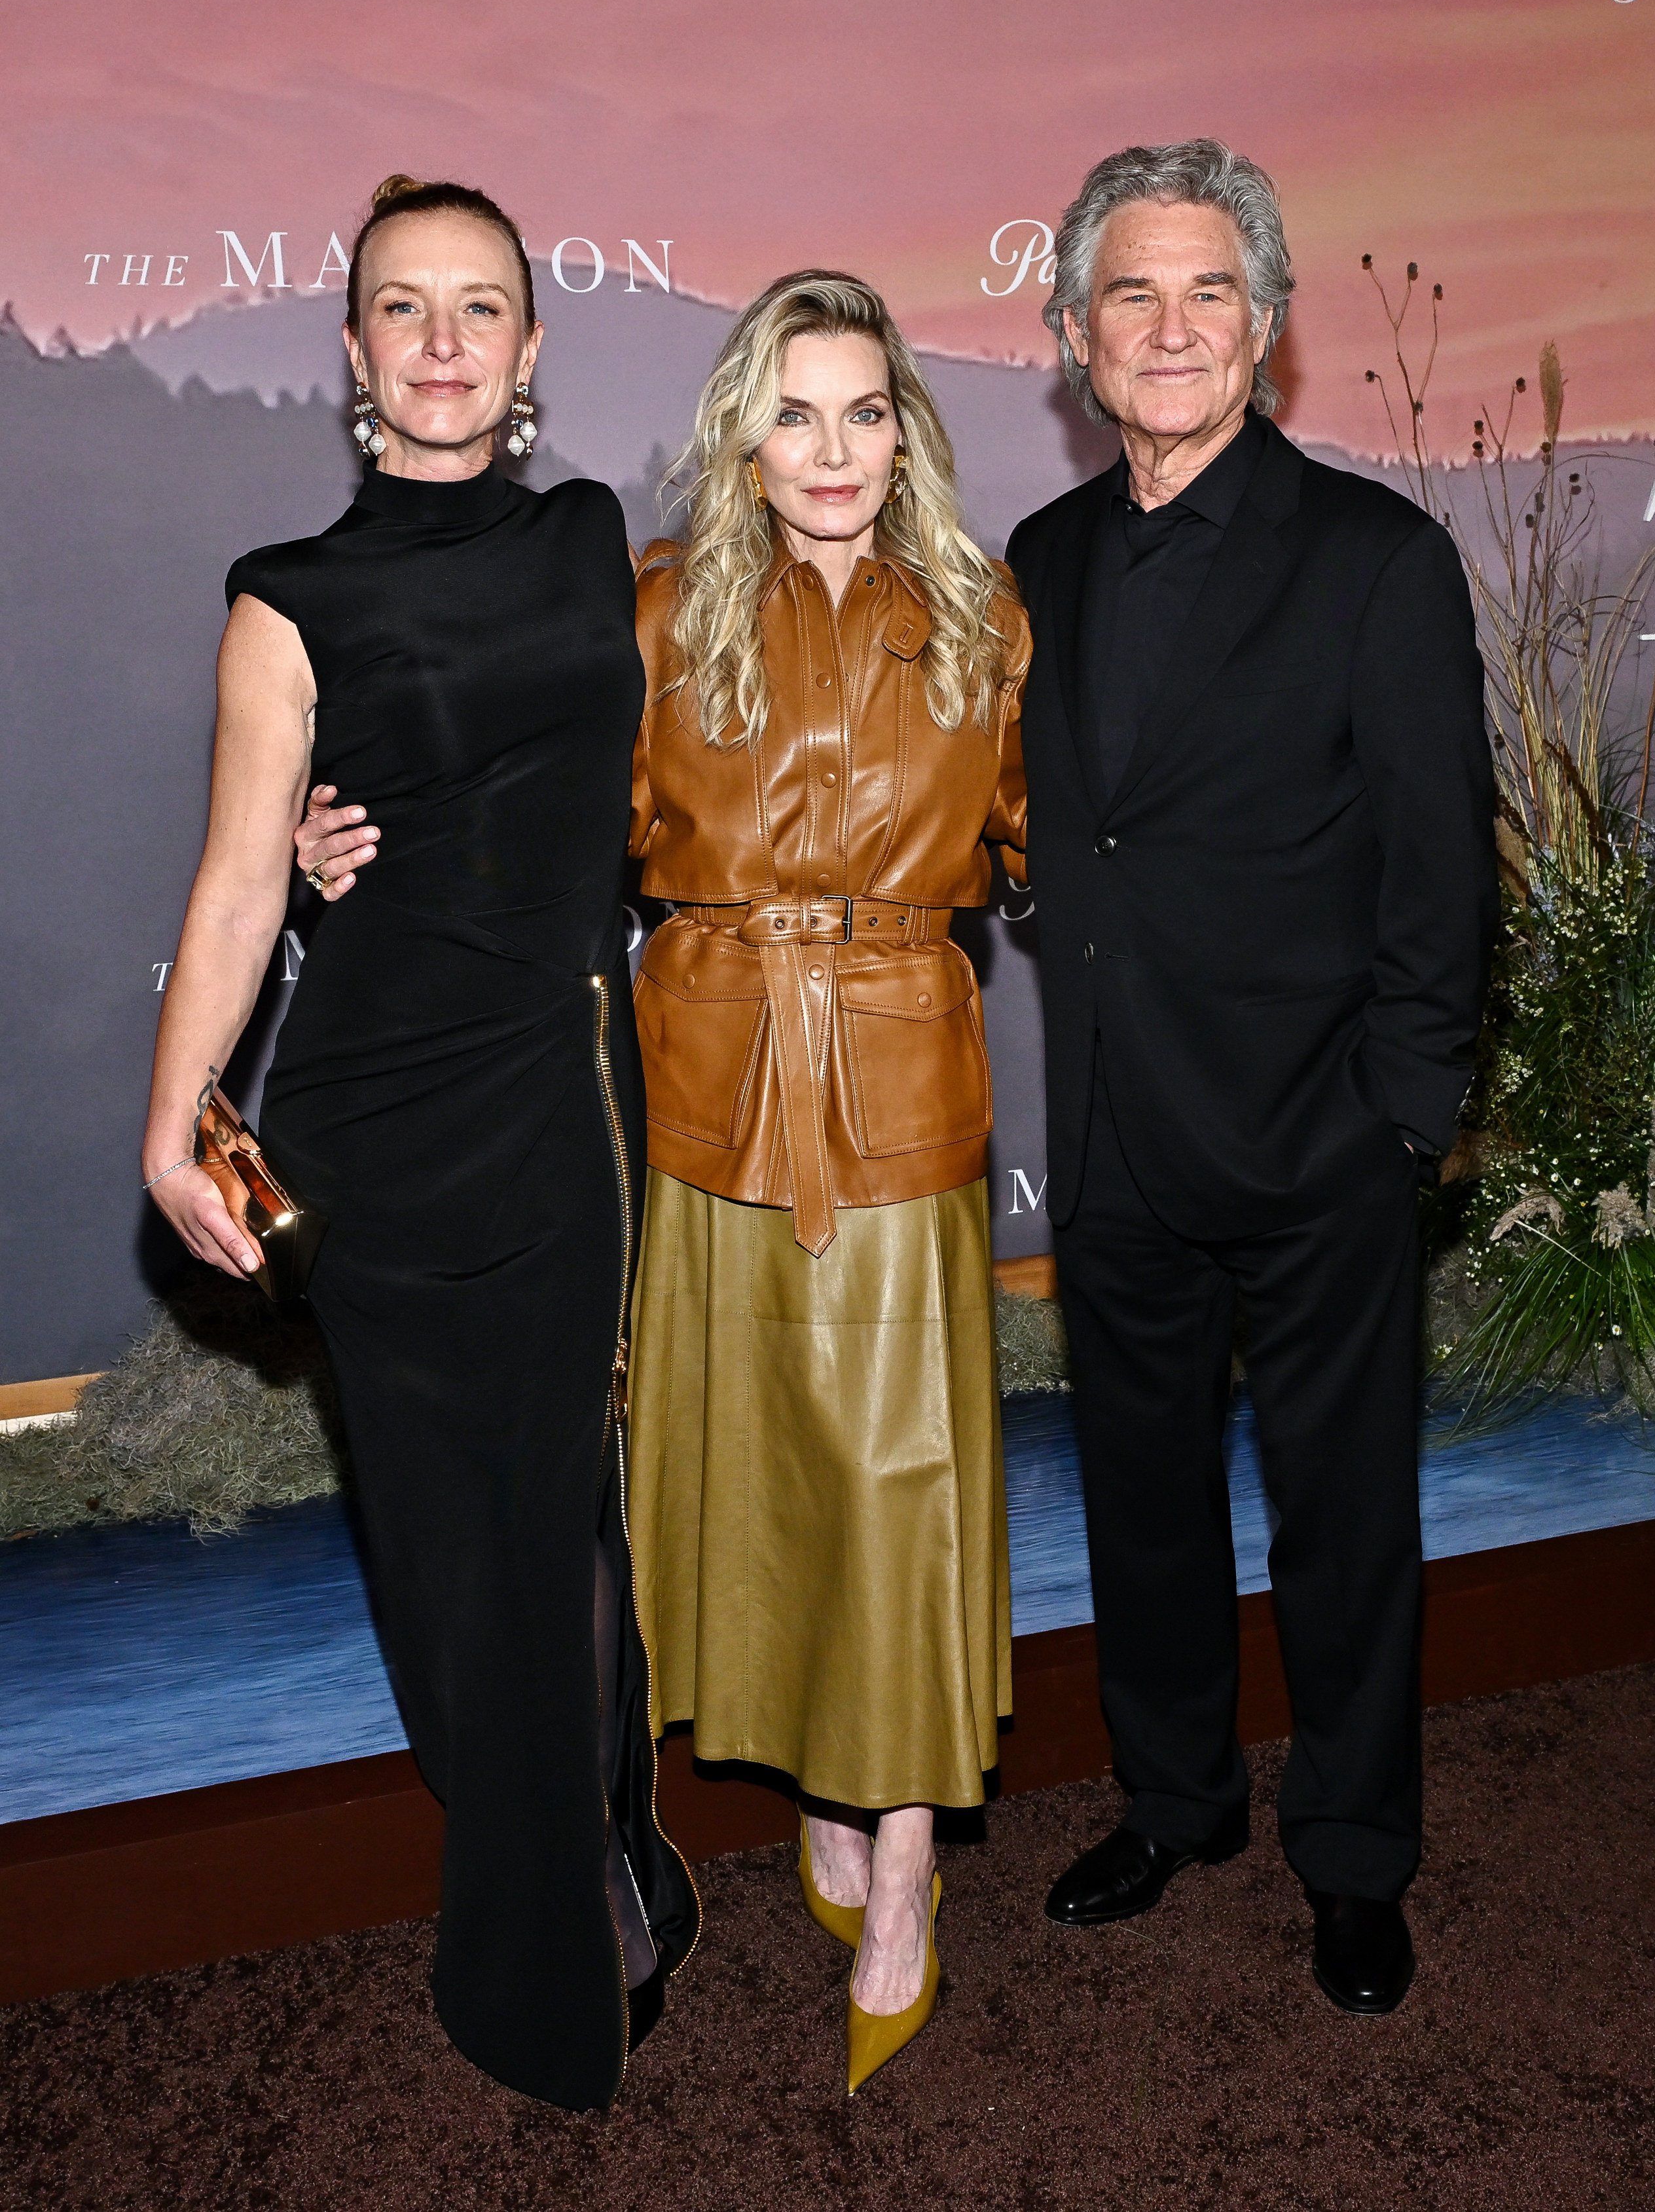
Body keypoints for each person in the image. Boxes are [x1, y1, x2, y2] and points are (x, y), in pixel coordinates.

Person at [297, 269, 1032, 2093]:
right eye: (794, 411)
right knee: (749, 1479)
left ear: (907, 436)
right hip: (698, 1099)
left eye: (865, 411)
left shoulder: (985, 615)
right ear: (741, 434)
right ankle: (824, 1792)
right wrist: (347, 840)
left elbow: (1057, 838)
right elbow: (530, 820)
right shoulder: (653, 610)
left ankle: (905, 1866)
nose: (832, 449)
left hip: (902, 1092)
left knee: (905, 1489)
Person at [142, 174, 698, 2111]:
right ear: (355, 350)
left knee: (558, 1529)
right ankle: (573, 1861)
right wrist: (173, 1126)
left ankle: (578, 1903)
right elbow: (238, 878)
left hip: (554, 1112)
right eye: (405, 305)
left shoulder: (590, 535)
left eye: (480, 306)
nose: (444, 340)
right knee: (448, 1562)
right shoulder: (287, 596)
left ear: (531, 349)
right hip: (375, 1132)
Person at [1006, 140, 1496, 2016]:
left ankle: (1356, 1856)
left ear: (1269, 324)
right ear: (1073, 335)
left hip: (1319, 1145)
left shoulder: (1377, 560)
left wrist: (1402, 1121)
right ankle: (1177, 1799)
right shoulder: (1038, 564)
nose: (1168, 326)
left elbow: (1441, 875)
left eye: (1207, 289)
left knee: (1344, 1525)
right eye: (1128, 292)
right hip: (1114, 1136)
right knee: (1142, 1504)